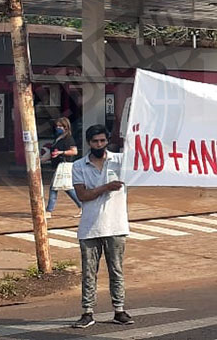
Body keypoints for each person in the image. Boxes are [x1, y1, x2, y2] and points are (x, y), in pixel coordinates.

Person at [70, 124, 133, 329]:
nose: (99, 144)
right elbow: (82, 195)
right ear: (89, 143)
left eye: (102, 141)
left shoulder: (120, 161)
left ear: (107, 141)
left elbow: (143, 162)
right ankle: (87, 312)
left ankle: (119, 310)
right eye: (95, 141)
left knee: (116, 270)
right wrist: (106, 187)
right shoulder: (79, 166)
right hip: (90, 227)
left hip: (116, 225)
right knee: (89, 273)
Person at [41, 117, 80, 217]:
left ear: (65, 127)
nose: (57, 128)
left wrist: (61, 152)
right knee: (66, 188)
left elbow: (74, 151)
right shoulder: (58, 138)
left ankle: (49, 211)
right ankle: (82, 205)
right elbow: (51, 153)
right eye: (57, 126)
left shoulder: (68, 138)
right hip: (58, 165)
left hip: (65, 165)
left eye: (60, 126)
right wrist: (40, 160)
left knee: (55, 188)